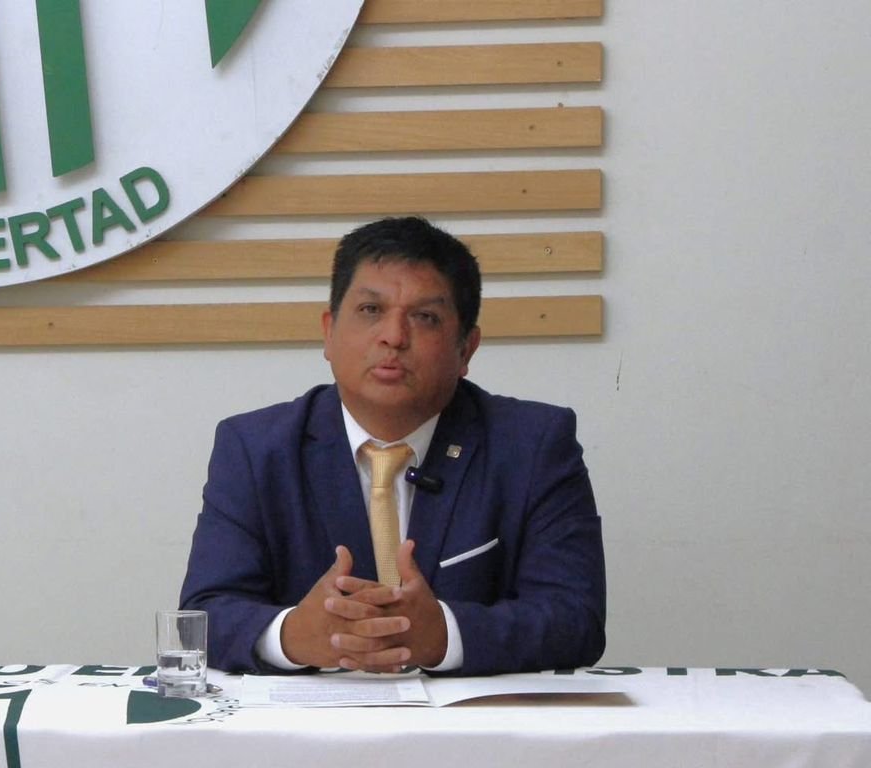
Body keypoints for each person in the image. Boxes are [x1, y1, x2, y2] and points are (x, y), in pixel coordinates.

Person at [179, 216, 605, 675]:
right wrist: (291, 636)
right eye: (370, 310)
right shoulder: (254, 448)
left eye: (425, 317)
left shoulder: (533, 445)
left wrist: (446, 636)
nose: (394, 337)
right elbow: (204, 615)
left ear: (466, 349)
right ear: (328, 331)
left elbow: (576, 619)